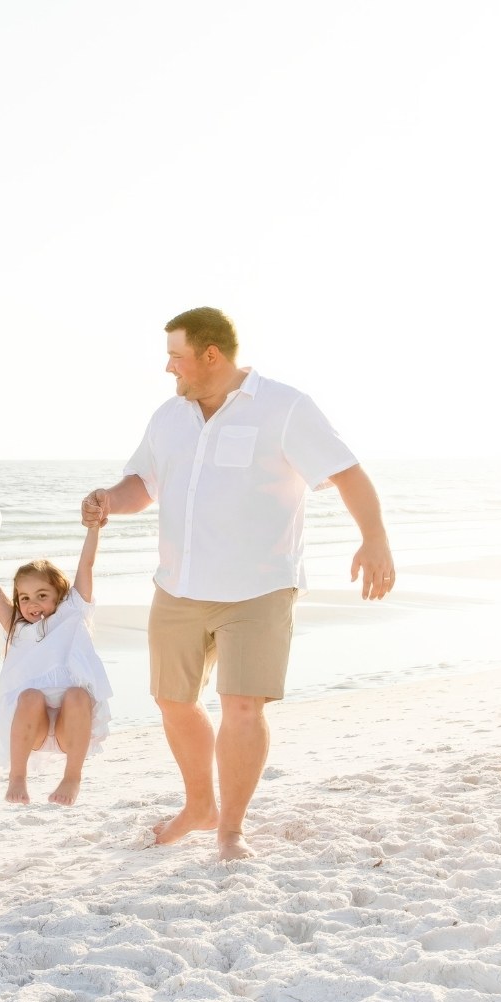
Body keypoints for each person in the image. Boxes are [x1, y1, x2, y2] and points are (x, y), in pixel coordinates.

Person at [81, 307, 394, 862]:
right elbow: (143, 484)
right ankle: (199, 806)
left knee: (242, 707)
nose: (167, 367)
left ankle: (231, 828)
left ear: (211, 355)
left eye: (175, 355)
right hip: (178, 585)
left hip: (258, 587)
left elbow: (346, 471)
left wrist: (374, 539)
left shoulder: (284, 406)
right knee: (173, 702)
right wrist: (110, 499)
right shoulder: (168, 417)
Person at [0, 524, 113, 807]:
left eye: (41, 595)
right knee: (30, 696)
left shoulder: (74, 611)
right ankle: (17, 776)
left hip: (72, 726)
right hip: (30, 727)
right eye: (24, 598)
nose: (32, 603)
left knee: (77, 694)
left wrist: (93, 529)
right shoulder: (17, 627)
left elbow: (87, 563)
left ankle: (72, 776)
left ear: (60, 594)